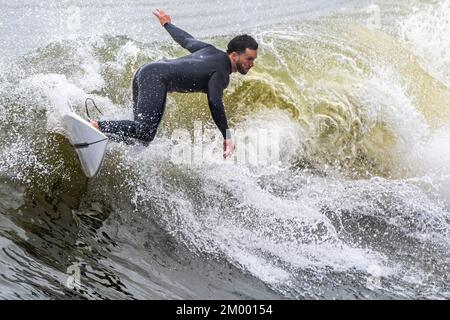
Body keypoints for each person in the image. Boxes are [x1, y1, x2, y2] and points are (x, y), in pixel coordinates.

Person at [90, 9, 258, 159]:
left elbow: (186, 40)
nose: (251, 63)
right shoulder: (222, 72)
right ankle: (97, 126)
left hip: (146, 71)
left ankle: (102, 138)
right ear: (235, 56)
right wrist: (227, 135)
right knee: (145, 131)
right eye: (249, 58)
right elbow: (215, 101)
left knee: (141, 137)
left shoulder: (209, 50)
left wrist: (167, 24)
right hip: (156, 77)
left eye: (253, 59)